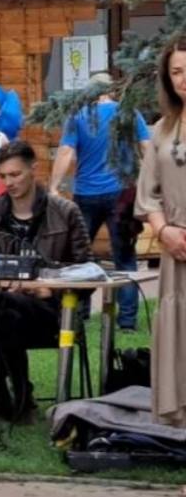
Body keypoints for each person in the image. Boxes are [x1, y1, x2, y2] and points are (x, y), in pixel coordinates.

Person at [0, 140, 92, 424]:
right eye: (2, 176)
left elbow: (87, 269)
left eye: (15, 174)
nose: (8, 182)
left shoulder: (65, 211)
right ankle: (19, 395)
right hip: (3, 308)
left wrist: (49, 286)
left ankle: (0, 395)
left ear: (33, 170)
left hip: (52, 309)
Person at [52, 71, 150, 331]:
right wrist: (150, 185)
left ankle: (80, 312)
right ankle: (127, 321)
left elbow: (65, 153)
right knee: (125, 258)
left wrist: (53, 187)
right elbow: (147, 149)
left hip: (85, 194)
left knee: (80, 257)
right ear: (114, 91)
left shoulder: (78, 116)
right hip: (122, 194)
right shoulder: (129, 113)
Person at [137, 36, 186, 427]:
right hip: (178, 252)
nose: (184, 79)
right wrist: (164, 231)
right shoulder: (162, 131)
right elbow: (147, 196)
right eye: (176, 71)